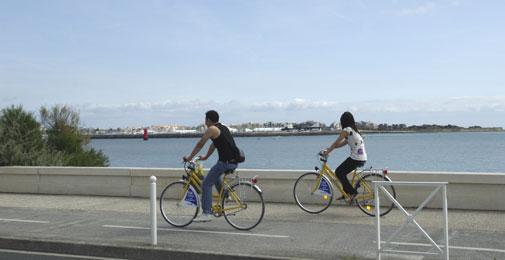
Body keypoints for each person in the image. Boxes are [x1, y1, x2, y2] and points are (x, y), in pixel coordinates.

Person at [183, 110, 239, 222]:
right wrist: (206, 157)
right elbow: (214, 144)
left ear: (208, 120)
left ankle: (206, 213)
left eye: (205, 120)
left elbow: (200, 144)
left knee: (206, 184)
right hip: (233, 161)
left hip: (225, 162)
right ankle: (225, 197)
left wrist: (189, 157)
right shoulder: (222, 127)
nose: (205, 122)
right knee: (215, 176)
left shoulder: (212, 129)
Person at [322, 111, 367, 204]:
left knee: (339, 172)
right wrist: (329, 149)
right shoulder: (353, 131)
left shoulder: (347, 130)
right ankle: (346, 193)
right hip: (361, 157)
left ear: (343, 121)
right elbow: (339, 144)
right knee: (342, 173)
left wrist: (328, 152)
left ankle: (352, 192)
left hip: (356, 158)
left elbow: (336, 142)